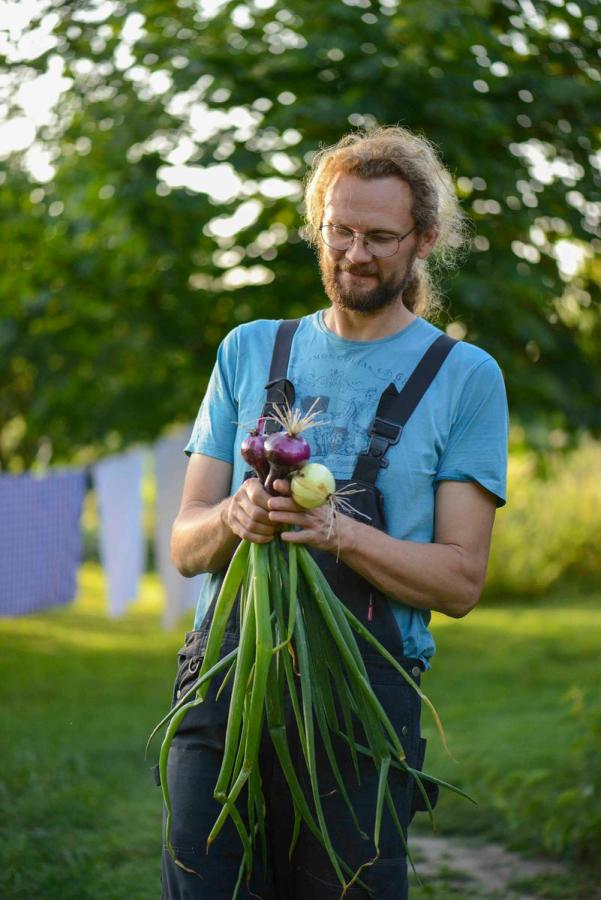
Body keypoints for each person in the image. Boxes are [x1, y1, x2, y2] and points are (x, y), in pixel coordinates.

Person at [162, 126, 508, 899]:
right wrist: (234, 517)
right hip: (225, 680)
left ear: (424, 240)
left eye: (380, 237)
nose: (354, 254)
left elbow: (459, 582)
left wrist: (338, 533)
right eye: (339, 231)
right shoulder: (250, 349)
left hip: (363, 698)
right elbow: (186, 547)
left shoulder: (464, 377)